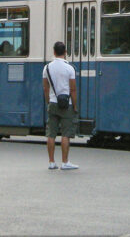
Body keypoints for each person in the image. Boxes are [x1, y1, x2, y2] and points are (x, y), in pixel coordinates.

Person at [43, 41, 78, 170]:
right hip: (66, 104)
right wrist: (75, 105)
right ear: (65, 52)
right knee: (65, 134)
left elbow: (45, 88)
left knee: (51, 134)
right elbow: (73, 90)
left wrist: (48, 102)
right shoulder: (70, 68)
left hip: (53, 103)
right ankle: (65, 162)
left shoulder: (47, 68)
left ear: (54, 52)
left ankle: (51, 162)